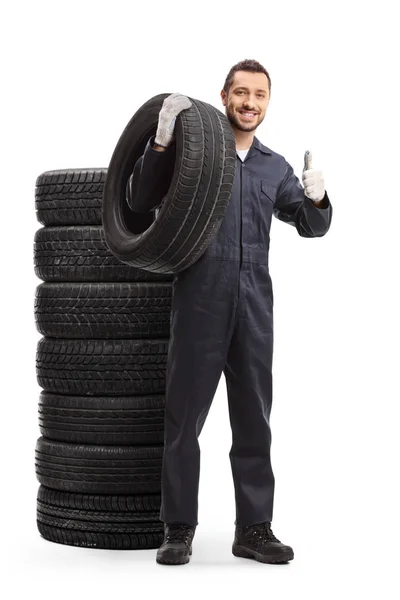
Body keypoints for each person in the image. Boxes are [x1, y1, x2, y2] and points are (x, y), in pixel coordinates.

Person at [126, 59, 333, 566]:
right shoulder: (196, 156)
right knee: (184, 419)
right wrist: (160, 145)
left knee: (254, 419)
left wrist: (318, 196)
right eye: (240, 92)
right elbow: (137, 199)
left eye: (259, 95)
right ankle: (178, 529)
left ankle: (254, 530)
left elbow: (311, 226)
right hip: (200, 296)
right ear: (223, 97)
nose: (249, 103)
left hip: (254, 304)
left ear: (267, 103)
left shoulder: (273, 167)